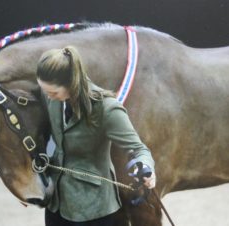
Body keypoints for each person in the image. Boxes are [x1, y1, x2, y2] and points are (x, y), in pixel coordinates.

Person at [36, 46, 156, 226]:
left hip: (94, 207)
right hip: (57, 203)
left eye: (53, 93)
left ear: (71, 82)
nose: (48, 97)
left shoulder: (106, 108)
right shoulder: (50, 95)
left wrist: (147, 168)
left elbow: (139, 149)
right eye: (45, 91)